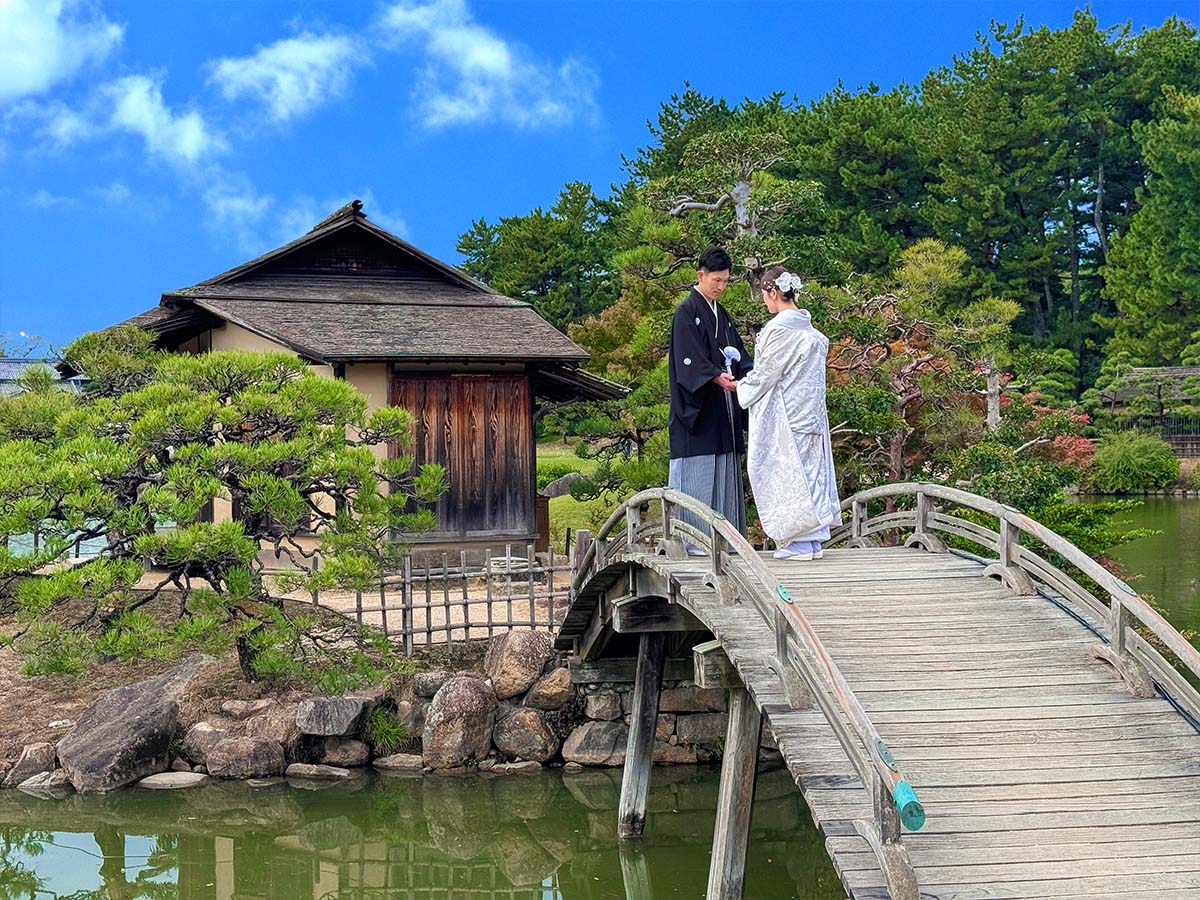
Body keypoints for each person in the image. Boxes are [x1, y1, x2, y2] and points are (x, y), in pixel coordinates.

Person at [735, 267, 841, 560]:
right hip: (812, 414)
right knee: (811, 473)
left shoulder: (778, 330)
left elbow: (767, 373)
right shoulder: (815, 335)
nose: (765, 303)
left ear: (773, 292)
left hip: (787, 413)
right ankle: (813, 539)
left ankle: (797, 542)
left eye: (765, 296)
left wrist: (740, 386)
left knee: (785, 472)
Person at [667, 246, 752, 550]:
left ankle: (725, 542)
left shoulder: (722, 315)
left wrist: (749, 377)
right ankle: (694, 541)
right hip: (699, 411)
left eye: (726, 281)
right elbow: (689, 362)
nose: (721, 286)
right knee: (699, 476)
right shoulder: (686, 313)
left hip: (724, 405)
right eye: (716, 280)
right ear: (700, 275)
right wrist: (715, 376)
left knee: (726, 471)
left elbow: (740, 355)